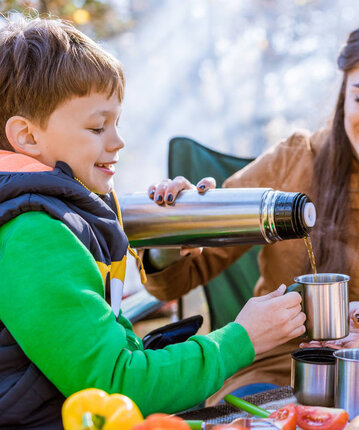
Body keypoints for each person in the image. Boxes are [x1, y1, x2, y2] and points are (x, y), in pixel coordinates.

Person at [146, 6, 359, 404]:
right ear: (345, 90)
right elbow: (185, 274)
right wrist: (172, 230)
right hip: (282, 369)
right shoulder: (295, 162)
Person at [0, 17, 305, 428]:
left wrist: (166, 242)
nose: (118, 141)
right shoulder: (34, 233)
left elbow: (105, 351)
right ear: (27, 137)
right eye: (97, 126)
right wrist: (242, 339)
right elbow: (116, 384)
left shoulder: (57, 215)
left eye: (117, 123)